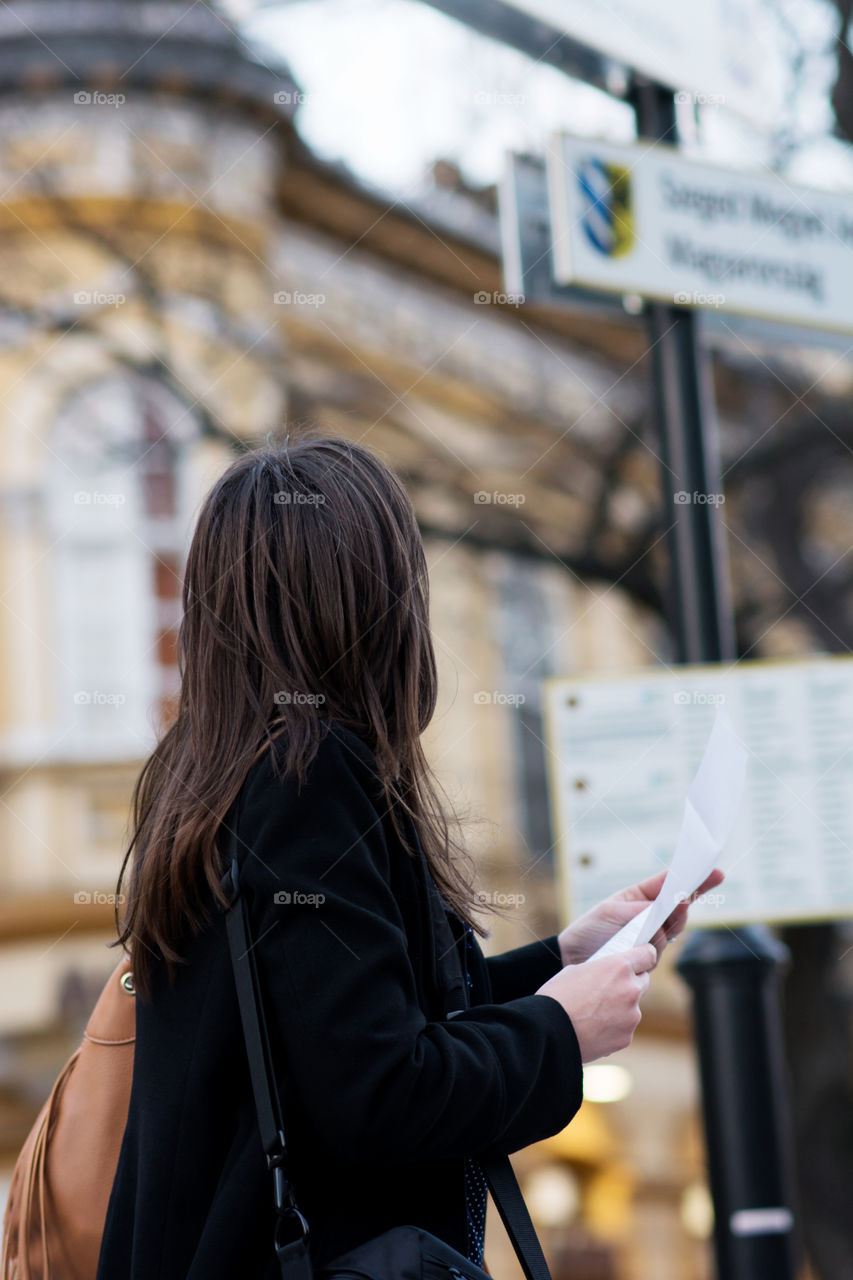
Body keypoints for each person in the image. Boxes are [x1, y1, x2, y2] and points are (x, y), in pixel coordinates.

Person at [96, 435, 721, 1280]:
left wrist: (560, 964)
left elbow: (348, 1027)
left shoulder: (219, 776)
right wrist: (560, 1030)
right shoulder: (306, 778)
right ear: (368, 599)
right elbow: (379, 1095)